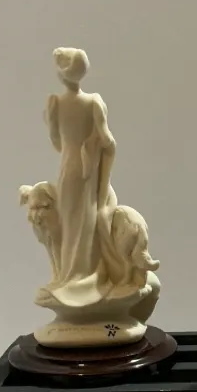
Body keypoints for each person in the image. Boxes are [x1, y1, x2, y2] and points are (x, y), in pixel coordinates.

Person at [45, 47, 118, 306]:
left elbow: (56, 141)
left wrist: (73, 143)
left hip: (69, 168)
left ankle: (70, 278)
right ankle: (83, 277)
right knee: (85, 222)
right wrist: (94, 147)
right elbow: (109, 141)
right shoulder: (94, 102)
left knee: (70, 222)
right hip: (88, 170)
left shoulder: (55, 103)